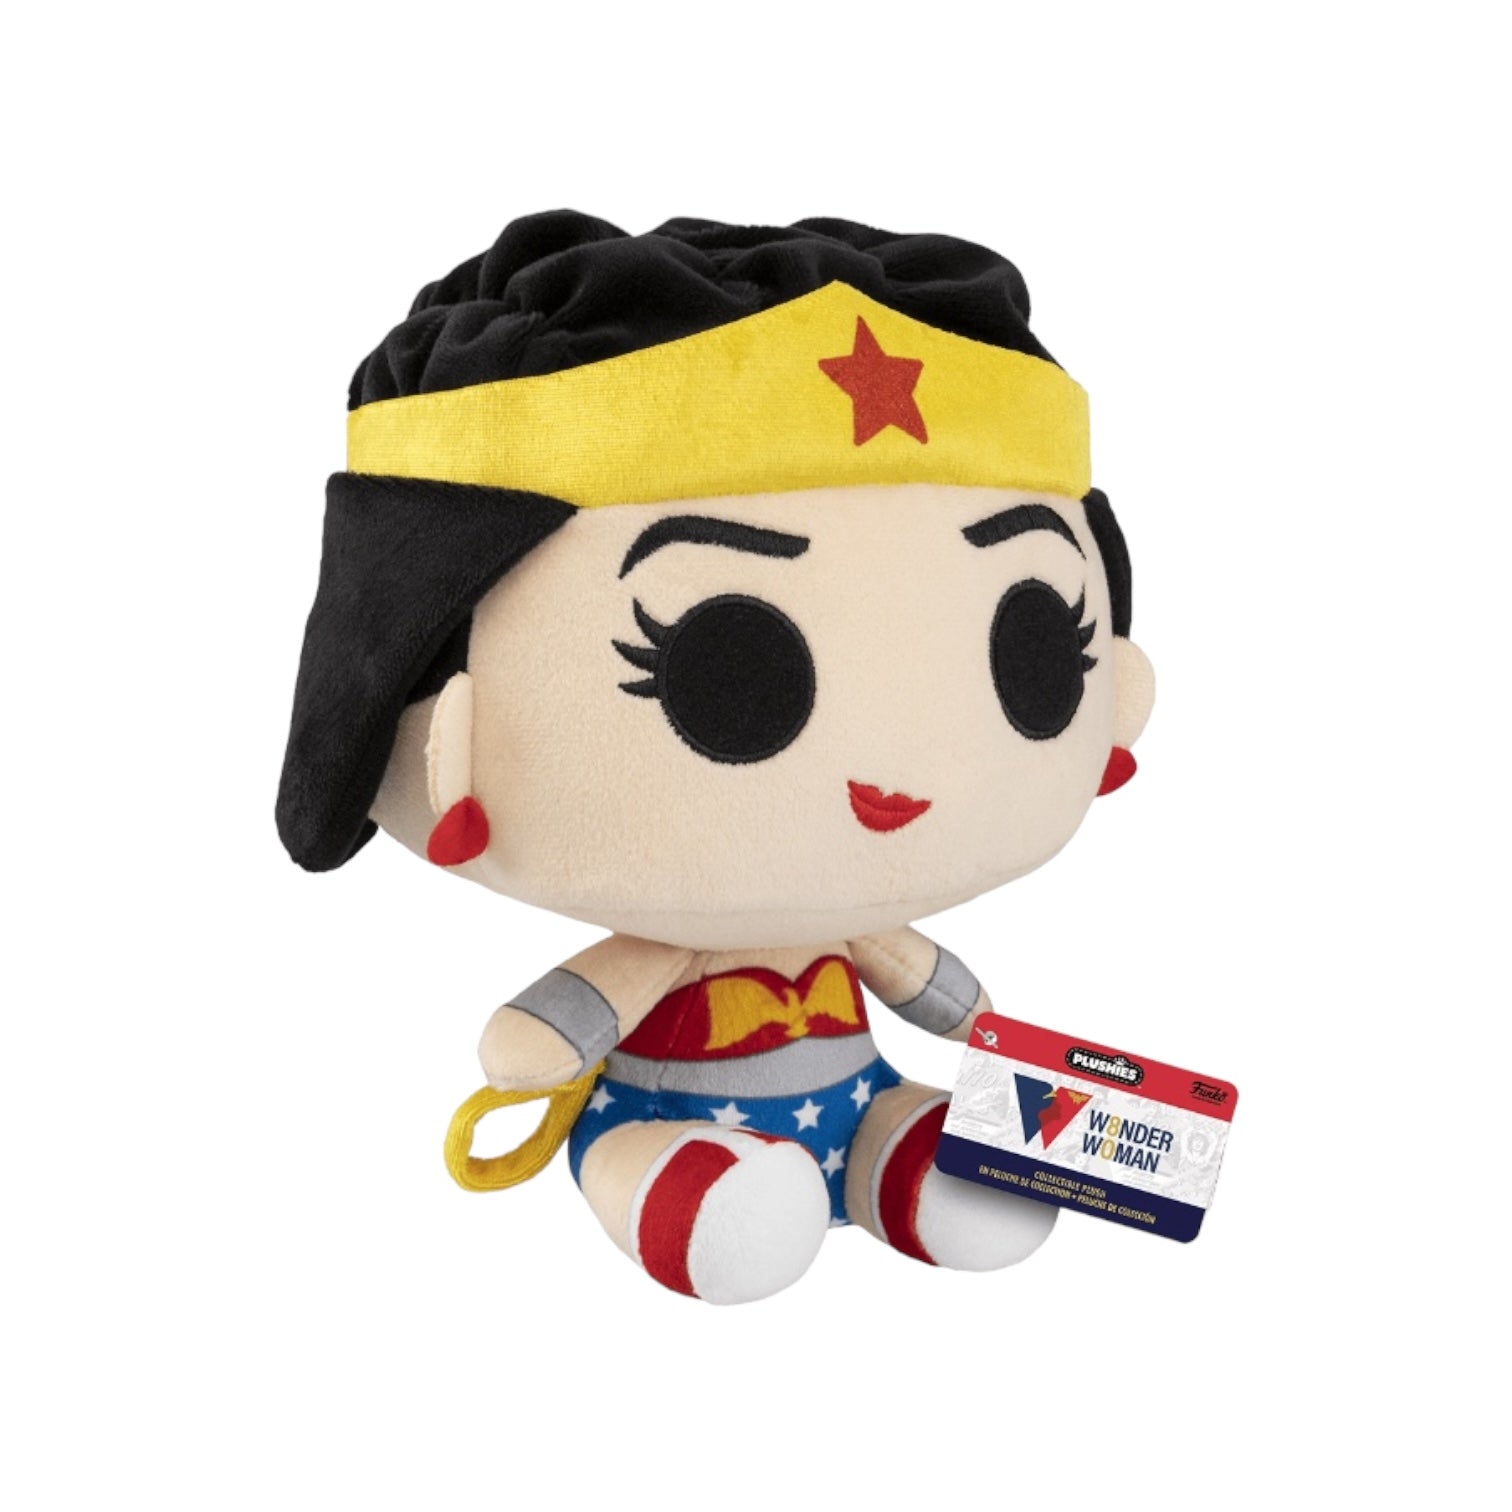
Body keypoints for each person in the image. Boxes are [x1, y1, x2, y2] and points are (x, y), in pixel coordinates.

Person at [277, 211, 1156, 1304]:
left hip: (855, 1088)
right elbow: (533, 1044)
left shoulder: (863, 932)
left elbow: (958, 1006)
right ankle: (683, 1193)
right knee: (696, 1186)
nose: (893, 770)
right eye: (725, 667)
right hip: (653, 1114)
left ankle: (901, 1164)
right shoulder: (664, 958)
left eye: (1036, 645)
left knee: (934, 1143)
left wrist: (1003, 1050)